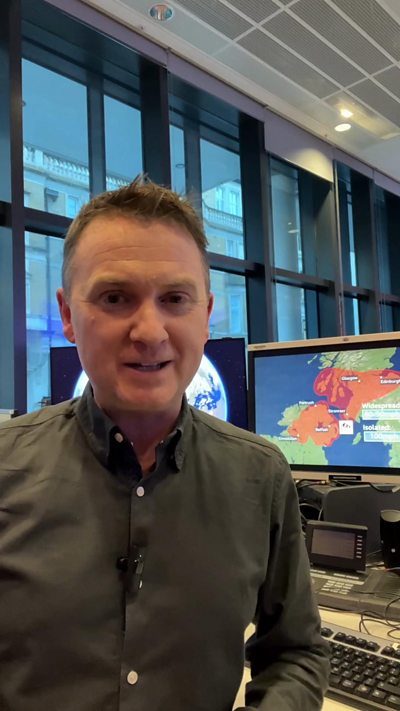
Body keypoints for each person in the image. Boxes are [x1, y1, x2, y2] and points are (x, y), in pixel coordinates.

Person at [0, 177, 330, 711]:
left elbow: (295, 651)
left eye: (175, 299)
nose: (150, 331)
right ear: (66, 315)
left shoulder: (259, 476)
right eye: (115, 297)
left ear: (204, 315)